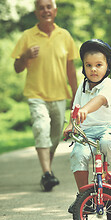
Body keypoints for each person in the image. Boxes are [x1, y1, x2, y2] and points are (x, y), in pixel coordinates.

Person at [11, 0, 78, 192]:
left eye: (49, 7)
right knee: (41, 127)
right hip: (36, 94)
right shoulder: (27, 36)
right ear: (36, 12)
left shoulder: (64, 36)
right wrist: (25, 56)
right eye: (41, 7)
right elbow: (17, 68)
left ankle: (46, 169)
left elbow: (71, 70)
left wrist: (76, 95)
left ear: (55, 11)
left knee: (55, 136)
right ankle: (47, 174)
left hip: (58, 95)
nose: (45, 10)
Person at [64, 39, 111, 213]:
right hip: (87, 132)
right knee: (77, 154)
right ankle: (84, 196)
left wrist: (86, 109)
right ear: (84, 67)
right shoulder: (82, 86)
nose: (93, 69)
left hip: (110, 128)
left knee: (108, 143)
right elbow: (75, 110)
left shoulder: (108, 85)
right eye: (88, 65)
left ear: (107, 66)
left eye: (98, 65)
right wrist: (71, 125)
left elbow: (100, 100)